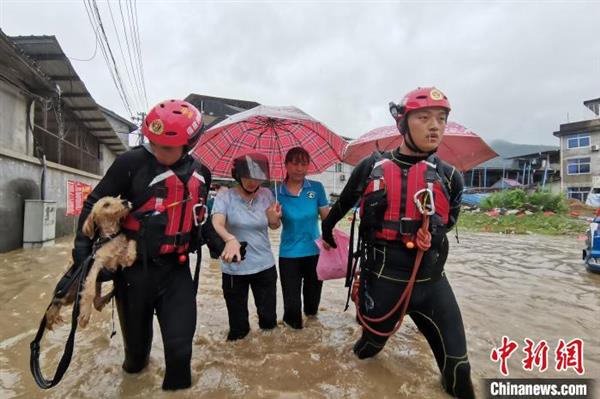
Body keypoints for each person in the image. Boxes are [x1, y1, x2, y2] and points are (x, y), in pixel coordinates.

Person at [321, 87, 474, 398]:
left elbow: (451, 219)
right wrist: (326, 232)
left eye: (442, 119)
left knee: (459, 370)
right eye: (425, 118)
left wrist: (432, 232)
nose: (435, 126)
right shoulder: (370, 168)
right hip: (384, 281)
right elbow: (341, 207)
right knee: (366, 353)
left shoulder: (450, 177)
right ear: (403, 123)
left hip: (432, 283)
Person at [71, 99, 211, 391]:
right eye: (154, 143)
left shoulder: (202, 174)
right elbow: (95, 205)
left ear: (189, 144)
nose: (159, 151)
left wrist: (226, 246)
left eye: (168, 148)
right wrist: (82, 257)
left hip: (177, 272)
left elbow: (200, 221)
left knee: (180, 354)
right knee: (135, 362)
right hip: (134, 273)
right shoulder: (131, 163)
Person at [211, 153, 281, 341]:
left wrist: (275, 220)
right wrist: (229, 238)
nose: (252, 182)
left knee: (269, 323)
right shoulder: (225, 196)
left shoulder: (267, 195)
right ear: (237, 175)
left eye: (257, 177)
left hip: (264, 266)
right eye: (247, 177)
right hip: (234, 268)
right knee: (238, 329)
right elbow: (216, 223)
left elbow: (274, 226)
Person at [274, 147, 329, 329]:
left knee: (312, 309)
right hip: (289, 255)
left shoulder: (316, 188)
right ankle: (292, 347)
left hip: (314, 253)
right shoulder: (276, 192)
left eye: (304, 164)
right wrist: (273, 216)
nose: (299, 168)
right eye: (295, 163)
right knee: (292, 310)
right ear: (286, 165)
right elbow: (273, 226)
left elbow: (326, 219)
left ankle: (311, 342)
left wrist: (330, 236)